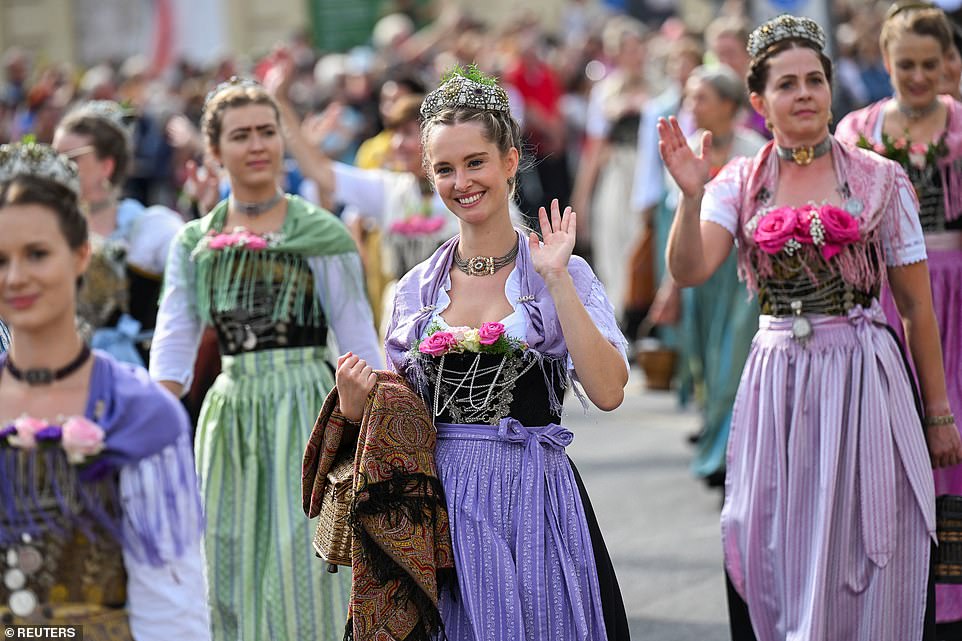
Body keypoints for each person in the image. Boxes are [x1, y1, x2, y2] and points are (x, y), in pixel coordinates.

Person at [658, 14, 961, 640]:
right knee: (770, 529)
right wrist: (690, 198)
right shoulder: (740, 181)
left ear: (829, 90)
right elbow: (691, 269)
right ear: (760, 101)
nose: (804, 94)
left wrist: (937, 411)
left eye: (815, 81)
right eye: (788, 84)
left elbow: (914, 306)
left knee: (873, 533)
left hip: (862, 372)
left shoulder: (880, 178)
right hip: (779, 380)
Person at [333, 67, 630, 641]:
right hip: (442, 510)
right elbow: (400, 421)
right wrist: (355, 406)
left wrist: (558, 280)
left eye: (475, 162)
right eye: (444, 168)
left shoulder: (556, 272)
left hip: (533, 501)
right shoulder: (417, 288)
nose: (461, 181)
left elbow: (610, 391)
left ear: (511, 162)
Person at [148, 78, 382, 641]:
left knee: (302, 564)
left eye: (267, 131)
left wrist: (377, 425)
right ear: (214, 151)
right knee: (227, 563)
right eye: (240, 135)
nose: (256, 145)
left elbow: (360, 341)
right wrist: (147, 423)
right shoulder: (195, 242)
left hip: (305, 409)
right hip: (230, 416)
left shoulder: (319, 233)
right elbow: (174, 343)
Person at [0, 141, 209, 638]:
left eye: (37, 253)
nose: (16, 277)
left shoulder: (140, 412)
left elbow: (172, 605)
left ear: (79, 255)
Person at [834, 3, 962, 635]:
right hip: (884, 297)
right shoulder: (859, 129)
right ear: (886, 63)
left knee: (953, 436)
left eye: (928, 64)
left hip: (955, 295)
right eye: (905, 64)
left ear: (948, 64)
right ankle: (891, 580)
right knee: (884, 438)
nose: (916, 76)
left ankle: (953, 593)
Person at [650, 64, 765, 487]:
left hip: (739, 279)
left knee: (732, 366)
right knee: (703, 364)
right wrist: (671, 287)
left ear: (731, 106)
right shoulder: (684, 151)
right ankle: (716, 446)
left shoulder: (753, 149)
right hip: (699, 279)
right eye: (690, 96)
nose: (692, 106)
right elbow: (675, 228)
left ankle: (728, 456)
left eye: (702, 97)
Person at [52, 100, 183, 367]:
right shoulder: (44, 232)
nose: (58, 170)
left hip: (135, 375)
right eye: (54, 159)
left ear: (106, 166)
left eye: (71, 159)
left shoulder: (151, 228)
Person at [570, 16, 648, 323]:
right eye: (626, 49)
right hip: (618, 172)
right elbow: (595, 147)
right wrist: (581, 199)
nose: (634, 54)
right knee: (614, 241)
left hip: (648, 167)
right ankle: (620, 317)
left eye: (637, 47)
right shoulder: (605, 92)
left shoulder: (660, 86)